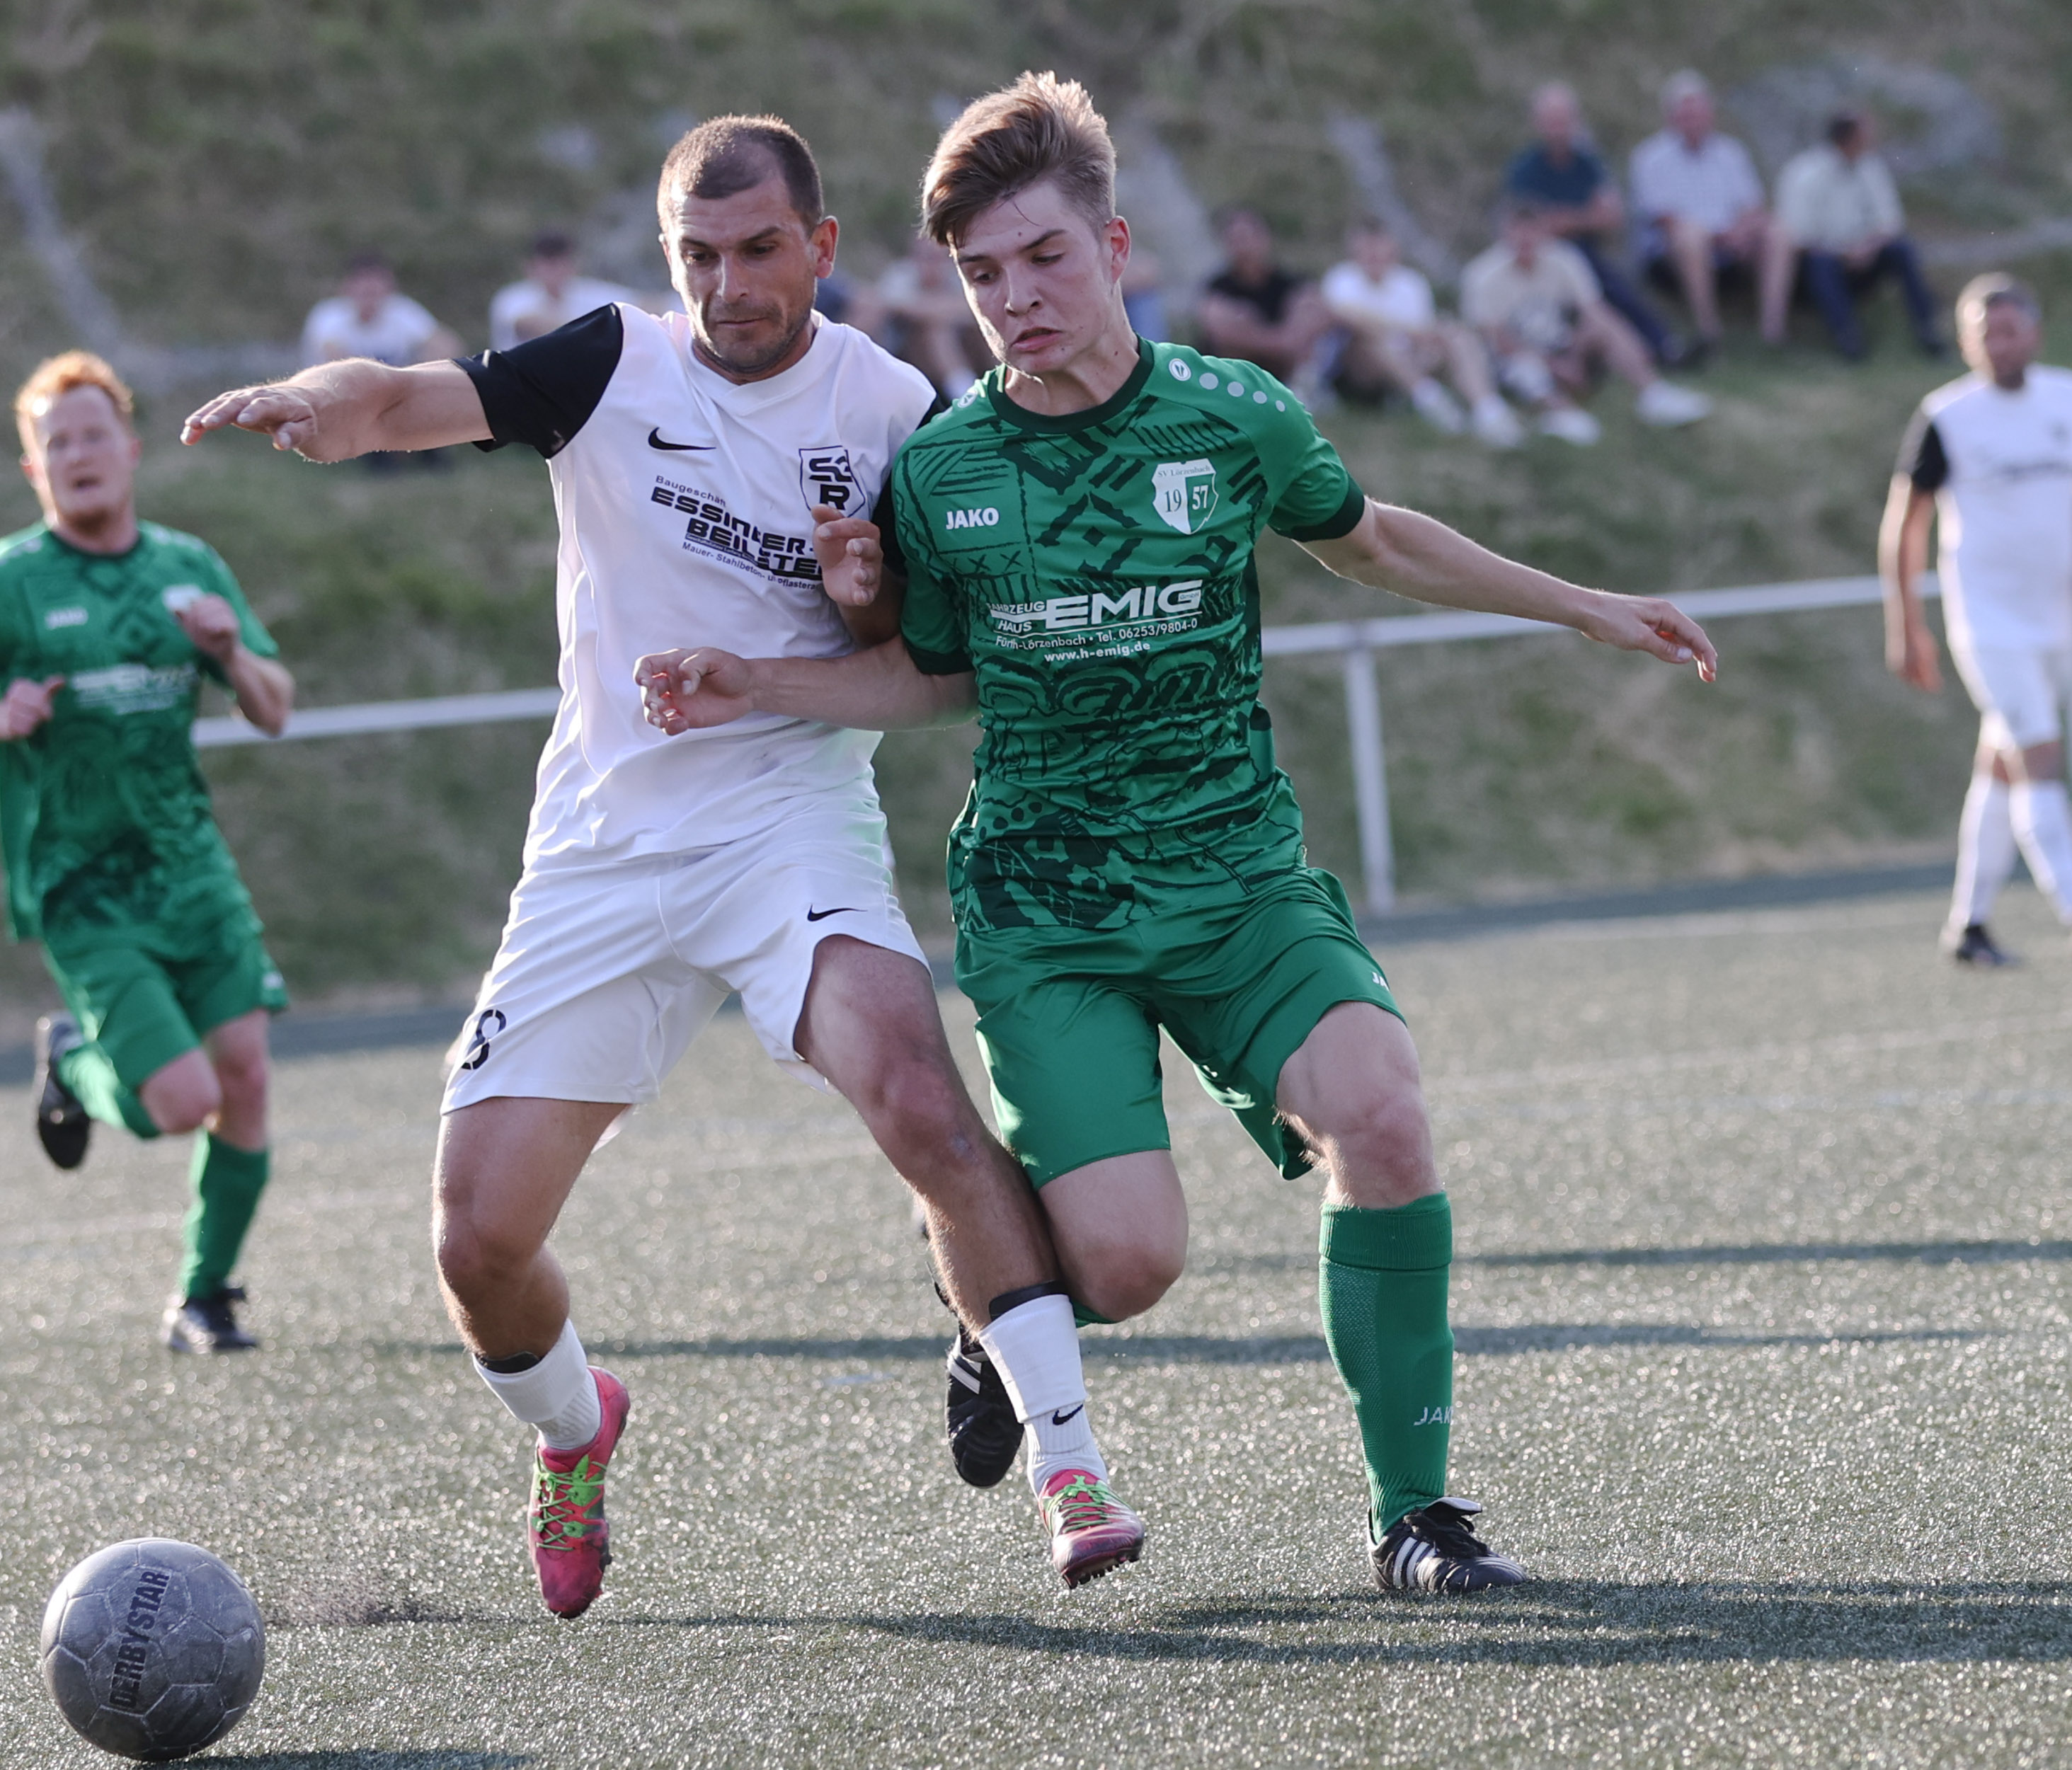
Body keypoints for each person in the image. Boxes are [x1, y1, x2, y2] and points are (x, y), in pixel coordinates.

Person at [640, 73, 1725, 1596]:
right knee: (1131, 1265)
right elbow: (928, 671)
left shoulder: (1231, 417)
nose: (1012, 297)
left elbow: (1372, 538)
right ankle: (989, 1287)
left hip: (1235, 878)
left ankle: (1414, 1514)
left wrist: (1584, 604)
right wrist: (760, 673)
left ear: (1115, 245)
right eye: (979, 274)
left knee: (1386, 1113)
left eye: (1041, 258)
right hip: (1048, 904)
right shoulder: (944, 471)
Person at [184, 114, 1141, 1615]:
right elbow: (400, 400)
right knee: (478, 1239)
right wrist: (321, 401)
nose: (725, 285)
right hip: (603, 852)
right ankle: (577, 1432)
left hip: (785, 824)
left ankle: (1072, 1464)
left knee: (916, 1093)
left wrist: (864, 591)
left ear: (820, 249)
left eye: (757, 251)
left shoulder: (899, 409)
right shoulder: (606, 363)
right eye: (696, 255)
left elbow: (940, 659)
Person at [0, 351, 296, 1357]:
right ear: (36, 471)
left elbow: (274, 707)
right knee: (181, 1104)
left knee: (244, 1074)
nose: (76, 454)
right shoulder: (3, 585)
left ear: (127, 450)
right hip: (84, 886)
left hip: (189, 865)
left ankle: (205, 1297)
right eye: (53, 442)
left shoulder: (188, 568)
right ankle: (75, 1067)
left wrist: (227, 654)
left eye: (91, 434)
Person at [1881, 276, 2072, 967]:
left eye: (2009, 329)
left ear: (2035, 332)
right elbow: (1905, 525)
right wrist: (1906, 623)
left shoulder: (2066, 398)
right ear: (1965, 341)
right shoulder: (1948, 414)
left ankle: (1970, 924)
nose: (1997, 343)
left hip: (2062, 619)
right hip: (1992, 625)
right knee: (2041, 756)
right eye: (1983, 332)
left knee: (2001, 763)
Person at [1460, 200, 1712, 444]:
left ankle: (1652, 392)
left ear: (1543, 232)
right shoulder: (1482, 275)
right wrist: (1554, 366)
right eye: (1518, 230)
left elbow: (1593, 309)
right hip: (1518, 357)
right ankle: (1562, 413)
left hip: (1561, 345)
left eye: (1532, 230)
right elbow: (1497, 338)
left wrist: (1576, 354)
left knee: (1606, 324)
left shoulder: (1562, 258)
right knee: (1526, 368)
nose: (1525, 239)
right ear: (1503, 235)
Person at [1502, 80, 1681, 364]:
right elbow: (1531, 226)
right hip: (1546, 256)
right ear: (1537, 123)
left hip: (1585, 251)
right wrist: (1585, 217)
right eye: (1551, 120)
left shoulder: (1587, 163)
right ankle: (1654, 349)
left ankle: (1660, 346)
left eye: (1563, 119)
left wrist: (1567, 219)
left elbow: (1612, 216)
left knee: (1615, 286)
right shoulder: (1525, 169)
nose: (1558, 127)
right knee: (1602, 287)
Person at [1319, 217, 1524, 447]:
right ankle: (1430, 400)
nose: (1374, 254)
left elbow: (1425, 333)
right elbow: (1351, 319)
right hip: (1363, 371)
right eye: (1367, 248)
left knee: (1458, 337)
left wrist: (1433, 336)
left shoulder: (1411, 282)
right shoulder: (1342, 278)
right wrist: (1410, 331)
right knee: (1373, 341)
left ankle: (1488, 410)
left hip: (1409, 358)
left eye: (1379, 246)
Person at [1628, 70, 1791, 349]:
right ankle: (1709, 330)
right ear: (1671, 117)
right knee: (1691, 236)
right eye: (1685, 114)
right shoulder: (1650, 157)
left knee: (1780, 232)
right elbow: (1663, 218)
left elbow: (1752, 205)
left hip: (1732, 241)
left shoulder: (1731, 152)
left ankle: (1773, 330)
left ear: (1710, 114)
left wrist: (1740, 232)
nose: (1692, 120)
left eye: (1698, 112)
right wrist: (1717, 237)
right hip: (1676, 250)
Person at [1778, 110, 1941, 362]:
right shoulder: (1805, 172)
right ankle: (1848, 338)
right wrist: (1844, 253)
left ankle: (1928, 330)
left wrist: (1868, 247)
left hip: (1865, 256)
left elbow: (1890, 221)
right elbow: (1798, 236)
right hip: (1819, 266)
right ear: (1848, 138)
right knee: (1821, 263)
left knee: (1902, 250)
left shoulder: (1870, 167)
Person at [303, 253, 462, 473]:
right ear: (347, 286)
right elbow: (335, 359)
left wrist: (423, 372)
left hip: (394, 391)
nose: (370, 290)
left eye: (377, 282)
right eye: (363, 282)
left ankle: (423, 444)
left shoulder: (403, 311)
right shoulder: (329, 316)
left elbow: (445, 343)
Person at [1196, 207, 1334, 396]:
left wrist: (1285, 338)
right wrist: (1279, 343)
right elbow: (1216, 326)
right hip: (1243, 367)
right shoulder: (1217, 287)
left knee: (1308, 314)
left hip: (1287, 361)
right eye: (1235, 239)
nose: (1244, 246)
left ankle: (1304, 389)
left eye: (1249, 237)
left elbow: (1321, 313)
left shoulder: (1292, 282)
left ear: (1265, 237)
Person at [869, 229, 994, 399]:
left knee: (985, 329)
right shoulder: (901, 277)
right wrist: (941, 310)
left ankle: (1006, 385)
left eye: (937, 258)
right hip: (911, 355)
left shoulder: (957, 277)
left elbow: (976, 307)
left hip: (965, 347)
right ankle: (967, 395)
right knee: (936, 331)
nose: (931, 264)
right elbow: (891, 306)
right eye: (925, 257)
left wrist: (930, 309)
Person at [488, 231, 637, 350]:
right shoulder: (514, 296)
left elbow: (640, 305)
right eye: (548, 261)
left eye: (561, 260)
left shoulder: (586, 291)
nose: (555, 269)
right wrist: (604, 331)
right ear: (530, 265)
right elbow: (530, 324)